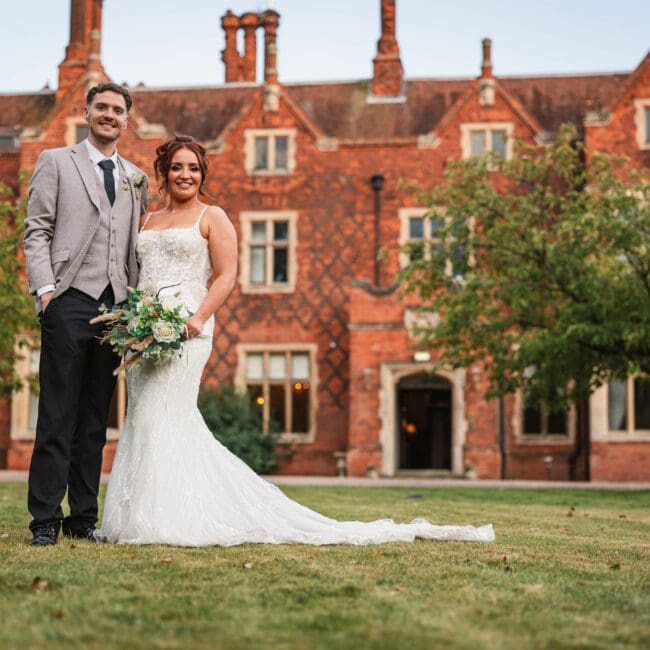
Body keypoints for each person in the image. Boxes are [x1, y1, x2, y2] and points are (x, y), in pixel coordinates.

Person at [100, 136, 494, 546]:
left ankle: (170, 517)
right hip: (144, 331)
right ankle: (137, 516)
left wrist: (198, 318)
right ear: (162, 172)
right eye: (177, 167)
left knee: (168, 414)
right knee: (143, 415)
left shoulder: (212, 216)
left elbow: (226, 275)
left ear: (203, 175)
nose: (186, 175)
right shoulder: (145, 219)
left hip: (189, 328)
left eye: (194, 168)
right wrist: (133, 320)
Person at [24, 83, 148, 546]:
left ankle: (81, 518)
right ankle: (44, 521)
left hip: (116, 306)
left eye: (118, 110)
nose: (109, 115)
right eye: (102, 108)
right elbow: (36, 230)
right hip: (69, 298)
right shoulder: (56, 161)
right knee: (57, 412)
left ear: (126, 120)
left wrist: (135, 301)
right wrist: (47, 290)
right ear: (87, 112)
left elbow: (133, 244)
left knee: (96, 418)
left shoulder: (137, 177)